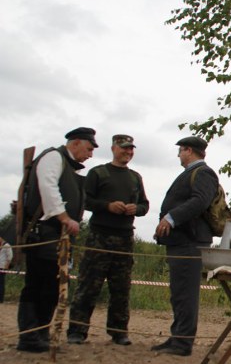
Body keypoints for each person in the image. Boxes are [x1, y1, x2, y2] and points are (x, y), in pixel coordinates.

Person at [17, 127, 97, 352]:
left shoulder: (69, 166)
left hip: (58, 236)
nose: (90, 154)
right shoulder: (54, 157)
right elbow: (48, 188)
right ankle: (29, 337)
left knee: (51, 286)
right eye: (89, 148)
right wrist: (64, 218)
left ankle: (41, 333)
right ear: (76, 142)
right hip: (45, 233)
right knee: (38, 284)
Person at [67, 134, 149, 346]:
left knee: (121, 288)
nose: (128, 152)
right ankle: (77, 331)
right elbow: (85, 200)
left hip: (125, 238)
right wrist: (107, 206)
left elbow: (145, 205)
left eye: (131, 149)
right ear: (113, 149)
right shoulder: (98, 173)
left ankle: (119, 332)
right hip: (99, 237)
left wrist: (136, 208)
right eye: (124, 148)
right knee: (88, 285)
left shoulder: (135, 177)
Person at [152, 136, 218, 357]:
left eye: (180, 150)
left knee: (186, 293)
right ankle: (177, 337)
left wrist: (171, 218)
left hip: (190, 242)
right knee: (179, 292)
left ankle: (182, 343)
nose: (179, 155)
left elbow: (200, 201)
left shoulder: (204, 173)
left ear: (189, 150)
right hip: (182, 241)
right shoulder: (192, 173)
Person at [0, 236, 12, 303]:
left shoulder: (7, 245)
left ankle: (0, 299)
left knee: (1, 283)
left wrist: (6, 266)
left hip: (2, 266)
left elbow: (10, 256)